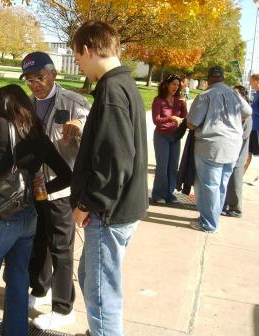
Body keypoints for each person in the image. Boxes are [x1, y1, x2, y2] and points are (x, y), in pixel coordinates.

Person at [0, 84, 71, 336]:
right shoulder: (38, 132)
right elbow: (67, 175)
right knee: (17, 280)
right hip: (29, 215)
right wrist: (43, 186)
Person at [71, 21, 149, 336]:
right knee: (92, 279)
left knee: (102, 296)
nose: (78, 64)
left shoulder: (112, 90)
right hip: (117, 208)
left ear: (88, 49)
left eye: (77, 57)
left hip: (108, 213)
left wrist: (87, 204)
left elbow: (115, 162)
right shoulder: (121, 84)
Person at [19, 51, 90, 330]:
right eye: (29, 79)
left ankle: (63, 308)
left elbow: (96, 135)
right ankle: (39, 291)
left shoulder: (73, 102)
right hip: (34, 187)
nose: (35, 84)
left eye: (40, 77)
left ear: (54, 74)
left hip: (62, 188)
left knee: (61, 248)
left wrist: (80, 126)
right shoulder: (25, 104)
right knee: (37, 242)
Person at [187, 66, 252, 232]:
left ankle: (208, 223)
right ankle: (211, 217)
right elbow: (248, 111)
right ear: (223, 78)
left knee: (208, 185)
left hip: (211, 146)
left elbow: (192, 123)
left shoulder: (205, 96)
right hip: (233, 145)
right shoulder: (235, 94)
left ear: (209, 79)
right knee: (221, 184)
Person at [151, 74, 188, 204]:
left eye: (177, 85)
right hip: (161, 136)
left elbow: (184, 116)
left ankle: (169, 194)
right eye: (173, 84)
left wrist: (184, 105)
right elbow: (156, 120)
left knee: (173, 167)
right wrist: (171, 118)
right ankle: (158, 194)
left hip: (175, 136)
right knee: (162, 166)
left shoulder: (178, 99)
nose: (175, 87)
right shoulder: (158, 100)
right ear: (166, 85)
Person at [222, 85, 252, 217]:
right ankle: (226, 204)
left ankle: (235, 208)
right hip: (232, 151)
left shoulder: (245, 115)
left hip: (238, 153)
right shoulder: (236, 112)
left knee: (235, 181)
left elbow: (242, 135)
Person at [244, 71, 259, 184]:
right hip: (252, 128)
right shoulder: (256, 94)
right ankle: (240, 175)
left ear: (257, 81)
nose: (250, 84)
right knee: (247, 152)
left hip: (257, 128)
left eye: (251, 82)